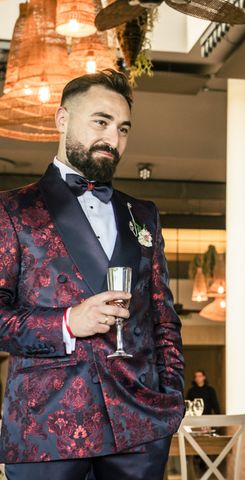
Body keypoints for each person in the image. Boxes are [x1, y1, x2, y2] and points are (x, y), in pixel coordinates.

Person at [0, 69, 184, 479]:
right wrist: (67, 322)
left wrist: (171, 399)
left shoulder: (144, 214)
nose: (112, 139)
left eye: (122, 128)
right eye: (100, 122)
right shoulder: (12, 210)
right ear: (62, 120)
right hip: (47, 428)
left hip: (139, 429)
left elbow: (163, 320)